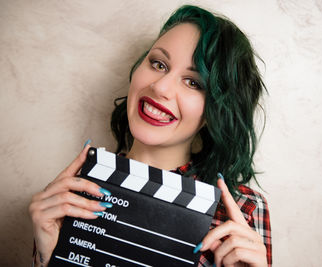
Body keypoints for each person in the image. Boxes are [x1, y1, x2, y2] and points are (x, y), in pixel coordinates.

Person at [29, 5, 272, 267]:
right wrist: (46, 256)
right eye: (158, 64)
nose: (160, 86)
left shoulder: (243, 209)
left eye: (193, 82)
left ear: (216, 111)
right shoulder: (74, 192)